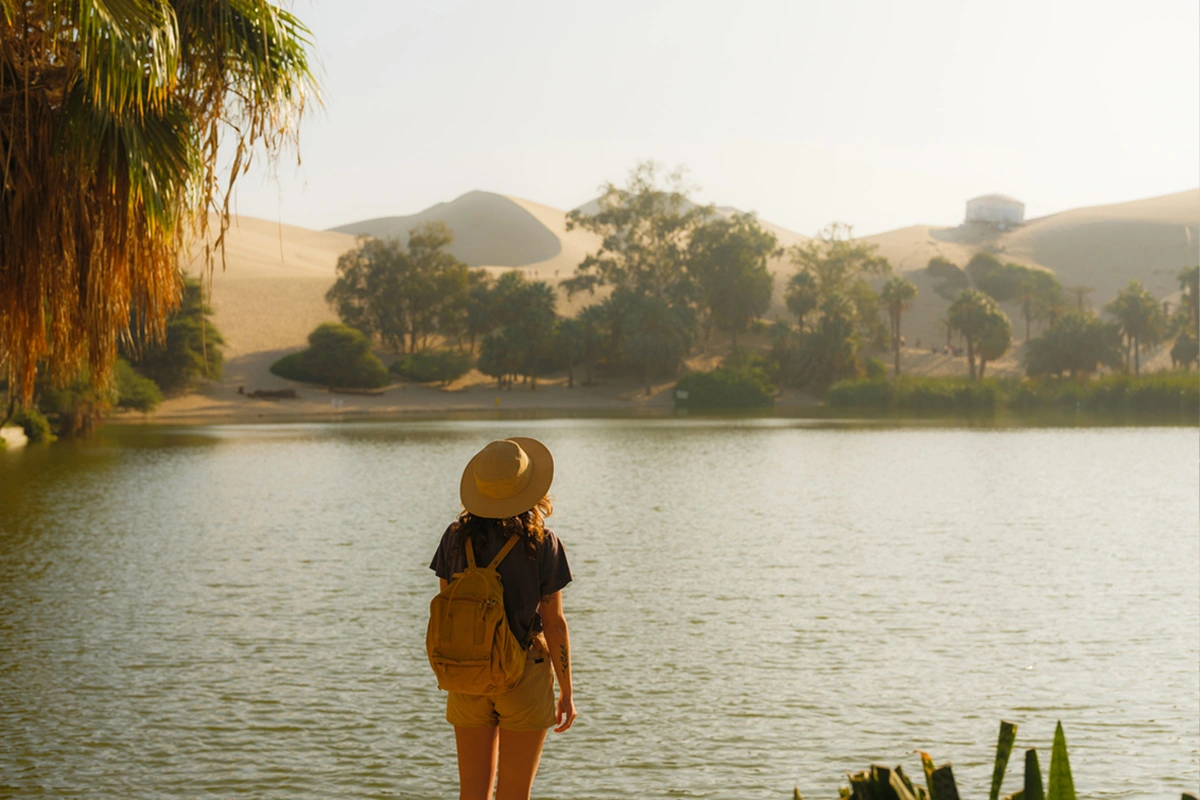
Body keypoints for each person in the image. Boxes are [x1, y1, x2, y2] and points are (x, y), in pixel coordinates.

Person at [430, 437, 577, 800]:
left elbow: (449, 605)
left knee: (472, 795)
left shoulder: (453, 539)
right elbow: (554, 623)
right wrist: (567, 691)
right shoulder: (542, 542)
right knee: (514, 795)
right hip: (523, 675)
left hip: (466, 672)